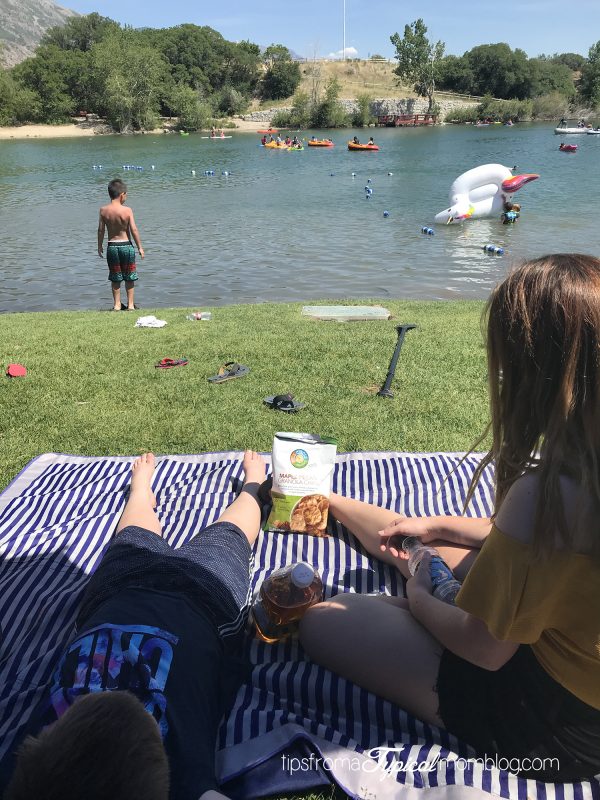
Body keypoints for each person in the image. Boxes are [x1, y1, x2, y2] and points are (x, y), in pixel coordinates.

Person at [300, 254, 600, 782]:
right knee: (425, 542)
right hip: (571, 669)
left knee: (324, 620)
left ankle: (342, 523)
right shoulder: (575, 483)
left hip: (549, 726)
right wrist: (438, 525)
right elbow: (539, 553)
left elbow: (485, 649)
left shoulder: (545, 497)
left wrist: (418, 599)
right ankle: (324, 499)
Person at [3, 450, 268, 800]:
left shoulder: (25, 776)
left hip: (119, 589)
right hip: (203, 599)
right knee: (231, 534)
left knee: (133, 532)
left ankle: (141, 491)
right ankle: (252, 486)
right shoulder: (186, 785)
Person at [98, 179, 144, 312]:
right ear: (122, 194)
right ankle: (130, 305)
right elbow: (134, 229)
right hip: (126, 246)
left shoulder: (103, 210)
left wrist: (99, 245)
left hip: (112, 247)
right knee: (130, 276)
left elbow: (101, 230)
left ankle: (117, 305)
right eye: (126, 195)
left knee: (115, 277)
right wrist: (140, 247)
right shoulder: (127, 210)